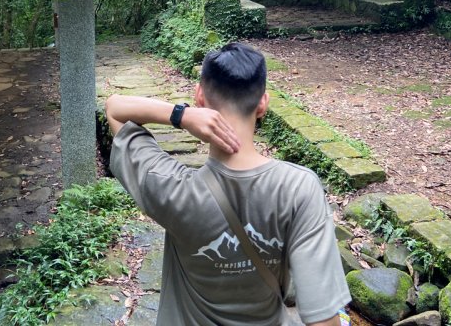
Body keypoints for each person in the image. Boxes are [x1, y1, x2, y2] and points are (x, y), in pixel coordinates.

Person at [106, 42, 351, 325]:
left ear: (200, 98)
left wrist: (180, 115)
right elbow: (322, 318)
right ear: (263, 104)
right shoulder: (299, 189)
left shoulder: (170, 187)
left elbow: (115, 108)